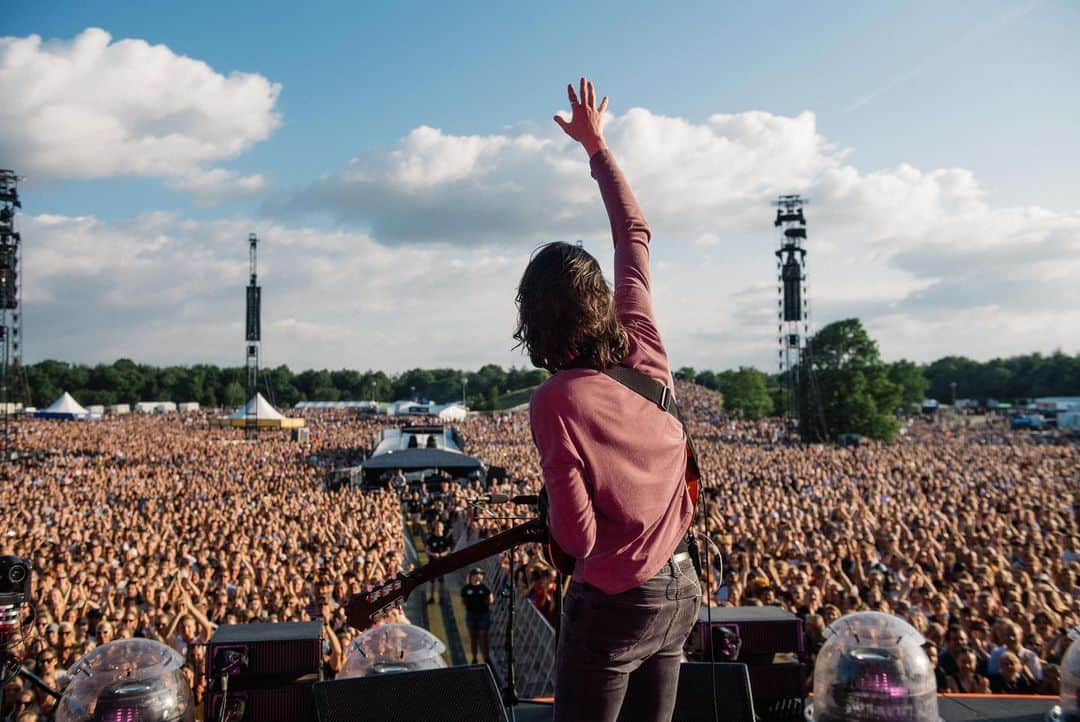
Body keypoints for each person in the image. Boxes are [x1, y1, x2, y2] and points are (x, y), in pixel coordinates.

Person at [517, 77, 700, 722]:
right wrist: (597, 147)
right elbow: (633, 233)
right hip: (681, 590)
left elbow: (577, 538)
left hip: (615, 606)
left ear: (533, 326)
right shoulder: (643, 340)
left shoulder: (556, 402)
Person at [461, 567, 493, 664]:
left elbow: (491, 598)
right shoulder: (466, 588)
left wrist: (486, 604)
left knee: (483, 635)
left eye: (480, 574)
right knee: (473, 637)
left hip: (483, 614)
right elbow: (463, 600)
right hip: (471, 614)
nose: (479, 576)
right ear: (472, 576)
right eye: (476, 574)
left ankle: (486, 657)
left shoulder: (485, 587)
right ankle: (474, 657)